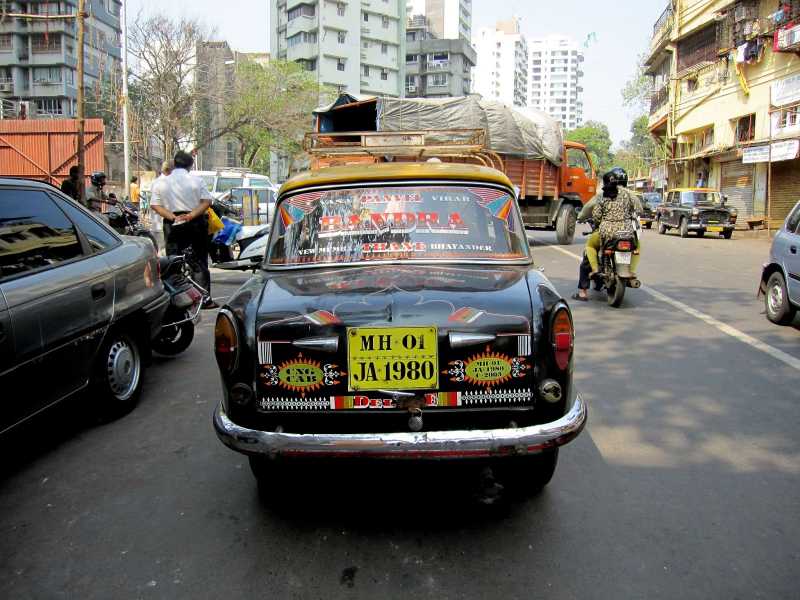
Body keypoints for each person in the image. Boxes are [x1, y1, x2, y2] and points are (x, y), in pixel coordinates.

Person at [150, 151, 217, 309]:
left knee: (173, 260)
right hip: (195, 222)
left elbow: (155, 205)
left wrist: (173, 217)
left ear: (174, 163)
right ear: (190, 164)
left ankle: (177, 298)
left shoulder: (161, 182)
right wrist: (191, 215)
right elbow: (207, 201)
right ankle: (204, 299)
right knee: (199, 261)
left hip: (172, 224)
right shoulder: (196, 180)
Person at [585, 168, 641, 280]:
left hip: (607, 233)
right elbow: (638, 209)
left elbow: (596, 216)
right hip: (627, 232)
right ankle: (632, 271)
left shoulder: (602, 196)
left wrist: (598, 221)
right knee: (637, 246)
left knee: (590, 245)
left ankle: (595, 269)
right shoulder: (629, 194)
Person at [149, 161, 172, 254]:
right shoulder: (164, 182)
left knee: (159, 247)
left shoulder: (156, 182)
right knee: (163, 249)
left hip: (157, 220)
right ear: (169, 170)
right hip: (162, 220)